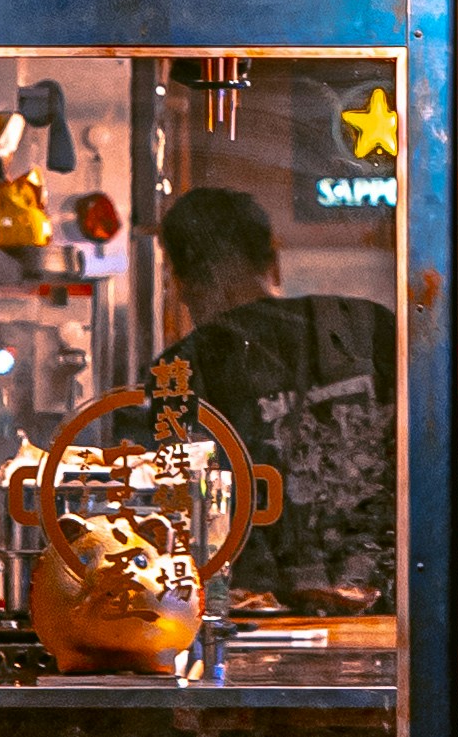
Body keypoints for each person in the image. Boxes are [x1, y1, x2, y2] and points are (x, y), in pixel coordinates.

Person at [151, 184, 396, 609]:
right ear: (272, 260)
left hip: (259, 620)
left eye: (180, 283)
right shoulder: (373, 327)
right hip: (395, 614)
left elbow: (175, 514)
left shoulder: (180, 372)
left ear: (203, 278)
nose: (184, 298)